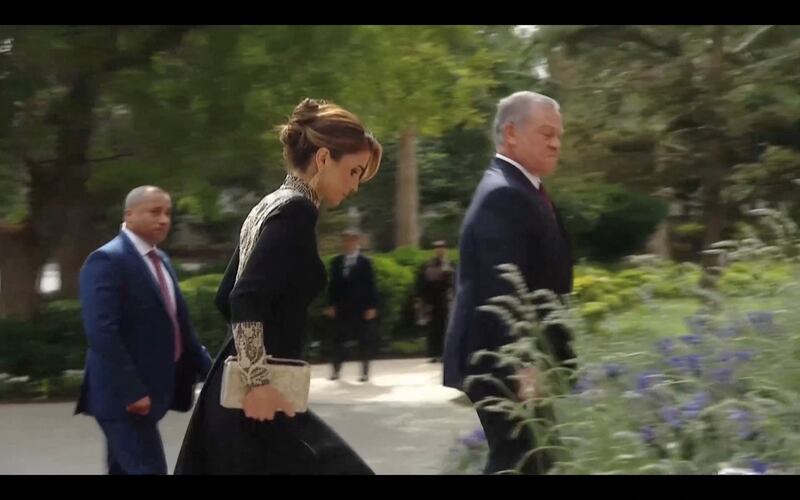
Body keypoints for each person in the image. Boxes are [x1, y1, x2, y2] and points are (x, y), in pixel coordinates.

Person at [175, 98, 382, 475]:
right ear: (322, 159)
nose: (354, 186)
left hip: (247, 396)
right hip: (258, 400)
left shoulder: (269, 204)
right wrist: (257, 381)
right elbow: (243, 297)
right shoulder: (295, 212)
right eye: (353, 171)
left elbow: (226, 298)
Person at [443, 91, 576, 474]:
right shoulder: (503, 194)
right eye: (547, 132)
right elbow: (498, 289)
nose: (556, 142)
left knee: (532, 460)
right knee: (524, 460)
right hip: (506, 364)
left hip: (519, 362)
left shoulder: (522, 189)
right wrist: (522, 364)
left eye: (559, 135)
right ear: (512, 134)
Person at [74, 186, 213, 475]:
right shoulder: (107, 260)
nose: (163, 219)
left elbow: (180, 328)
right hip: (121, 397)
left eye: (167, 213)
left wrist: (213, 373)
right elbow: (102, 332)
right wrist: (130, 390)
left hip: (151, 392)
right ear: (129, 214)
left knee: (123, 469)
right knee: (148, 468)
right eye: (154, 212)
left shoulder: (160, 260)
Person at [325, 229, 379, 382]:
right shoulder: (336, 262)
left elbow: (371, 285)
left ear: (357, 242)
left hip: (361, 308)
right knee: (338, 340)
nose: (348, 243)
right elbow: (332, 286)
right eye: (345, 240)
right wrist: (330, 305)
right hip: (341, 307)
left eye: (351, 240)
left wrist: (372, 307)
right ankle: (336, 370)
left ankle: (364, 372)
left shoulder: (365, 262)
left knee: (364, 340)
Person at [414, 240, 454, 363]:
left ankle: (445, 353)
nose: (440, 250)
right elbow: (421, 282)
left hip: (446, 300)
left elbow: (454, 281)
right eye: (437, 248)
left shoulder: (450, 264)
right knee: (433, 328)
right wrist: (420, 299)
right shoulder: (428, 265)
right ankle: (433, 353)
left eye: (442, 248)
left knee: (446, 327)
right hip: (431, 300)